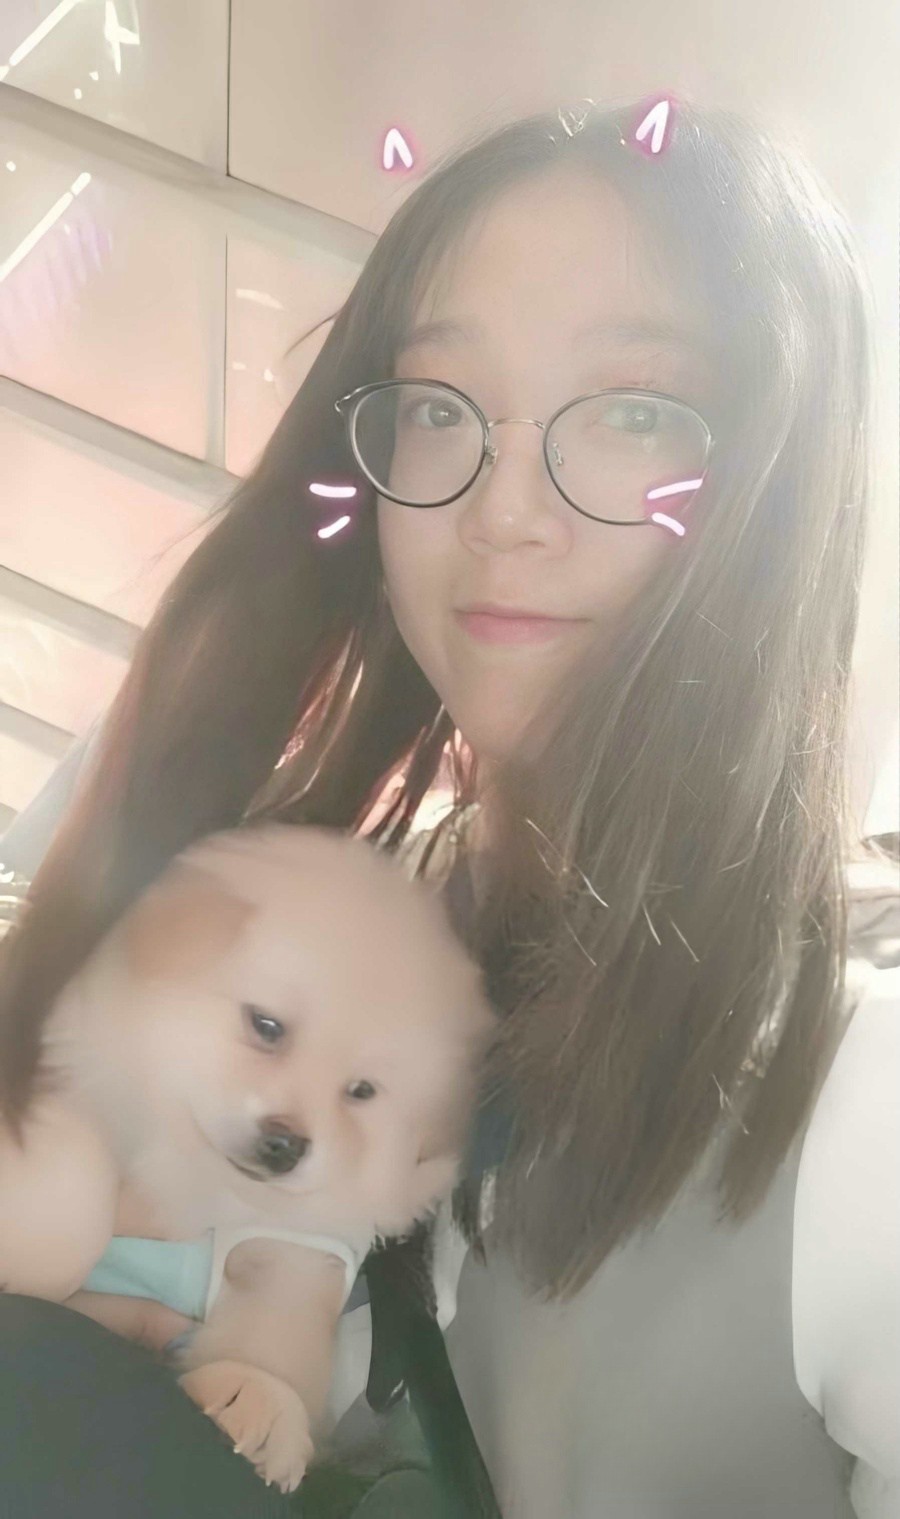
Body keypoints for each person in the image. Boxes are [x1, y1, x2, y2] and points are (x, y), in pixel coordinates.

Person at [1, 95, 898, 1518]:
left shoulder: (864, 1100)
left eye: (637, 410)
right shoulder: (365, 926)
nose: (505, 512)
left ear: (778, 485)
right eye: (438, 406)